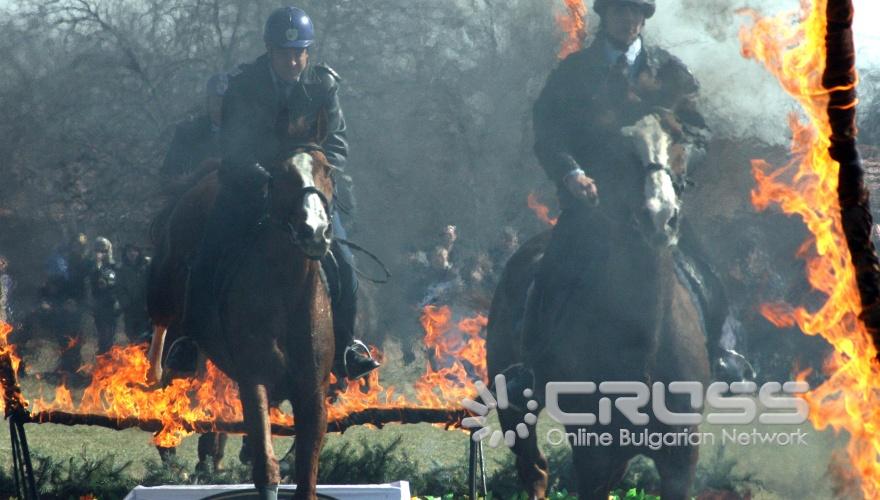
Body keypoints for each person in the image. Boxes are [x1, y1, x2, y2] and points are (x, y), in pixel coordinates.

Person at [529, 0, 746, 380]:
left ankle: (721, 353)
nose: (628, 20)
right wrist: (572, 173)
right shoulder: (574, 71)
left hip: (658, 200)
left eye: (636, 12)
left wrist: (674, 166)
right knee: (551, 271)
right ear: (605, 15)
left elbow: (699, 134)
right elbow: (549, 133)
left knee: (706, 272)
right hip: (596, 206)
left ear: (644, 18)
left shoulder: (672, 72)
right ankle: (530, 364)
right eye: (620, 11)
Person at [187, 6, 379, 380]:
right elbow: (234, 147)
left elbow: (337, 144)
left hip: (307, 190)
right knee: (208, 255)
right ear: (269, 50)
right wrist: (268, 178)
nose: (292, 61)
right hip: (250, 187)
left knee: (344, 261)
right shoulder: (243, 86)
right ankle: (190, 340)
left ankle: (346, 346)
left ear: (308, 52)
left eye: (299, 52)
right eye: (284, 53)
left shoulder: (324, 85)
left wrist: (311, 173)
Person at [161, 73, 228, 181]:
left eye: (226, 103)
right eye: (216, 102)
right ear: (208, 103)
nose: (220, 109)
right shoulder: (187, 132)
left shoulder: (246, 131)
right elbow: (169, 173)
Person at [116, 244, 151, 342]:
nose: (132, 253)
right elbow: (119, 288)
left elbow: (151, 285)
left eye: (134, 251)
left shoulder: (146, 267)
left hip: (145, 309)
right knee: (131, 334)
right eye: (129, 251)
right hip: (130, 309)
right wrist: (126, 303)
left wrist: (148, 303)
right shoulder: (121, 269)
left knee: (145, 335)